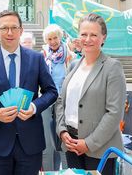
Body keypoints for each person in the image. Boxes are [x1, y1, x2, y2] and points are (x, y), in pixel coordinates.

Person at [0, 10, 58, 175]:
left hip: (30, 143)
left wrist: (34, 107)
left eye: (14, 27)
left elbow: (51, 92)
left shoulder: (36, 59)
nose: (9, 32)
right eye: (4, 28)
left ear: (21, 30)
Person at [56, 13, 126, 175]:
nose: (87, 39)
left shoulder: (112, 67)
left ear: (103, 38)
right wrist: (62, 131)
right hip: (71, 144)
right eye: (84, 34)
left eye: (93, 35)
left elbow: (114, 113)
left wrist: (88, 143)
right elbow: (61, 101)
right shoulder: (73, 65)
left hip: (99, 149)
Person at [40, 24, 73, 171]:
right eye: (49, 39)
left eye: (55, 38)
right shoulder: (42, 55)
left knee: (64, 139)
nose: (53, 41)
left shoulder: (69, 54)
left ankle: (66, 171)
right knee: (47, 141)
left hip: (64, 99)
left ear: (60, 37)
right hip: (47, 98)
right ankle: (48, 172)